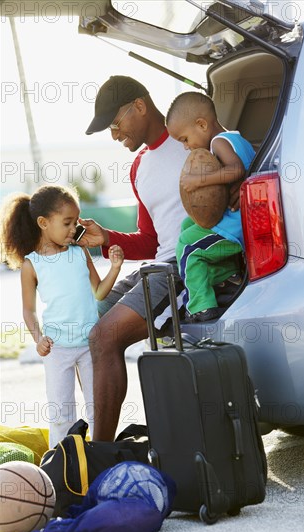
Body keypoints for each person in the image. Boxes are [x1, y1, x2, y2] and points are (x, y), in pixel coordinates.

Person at [82, 75, 190, 441]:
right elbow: (149, 240)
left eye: (115, 124)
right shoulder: (139, 165)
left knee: (104, 336)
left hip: (185, 268)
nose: (114, 135)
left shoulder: (192, 140)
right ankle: (85, 432)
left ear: (140, 106)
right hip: (156, 266)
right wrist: (107, 238)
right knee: (80, 322)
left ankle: (100, 452)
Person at [0, 185, 123, 448]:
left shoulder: (80, 253)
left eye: (76, 222)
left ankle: (100, 455)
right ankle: (62, 464)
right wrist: (38, 338)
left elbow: (99, 292)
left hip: (90, 344)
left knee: (97, 407)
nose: (73, 229)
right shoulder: (32, 264)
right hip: (57, 349)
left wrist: (115, 268)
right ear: (43, 223)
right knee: (60, 412)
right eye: (67, 223)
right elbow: (28, 309)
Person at [165, 91, 256, 322]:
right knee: (188, 224)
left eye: (185, 139)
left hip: (233, 230)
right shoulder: (239, 139)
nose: (186, 147)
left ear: (202, 124)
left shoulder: (219, 142)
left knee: (188, 247)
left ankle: (200, 306)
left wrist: (198, 180)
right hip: (236, 224)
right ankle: (229, 274)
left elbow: (236, 170)